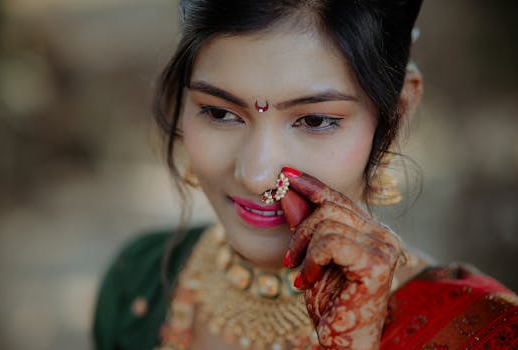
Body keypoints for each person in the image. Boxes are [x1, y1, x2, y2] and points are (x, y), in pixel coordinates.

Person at [93, 1, 518, 349]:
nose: (258, 177)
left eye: (315, 121)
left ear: (399, 112)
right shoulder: (139, 280)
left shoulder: (483, 331)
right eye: (220, 113)